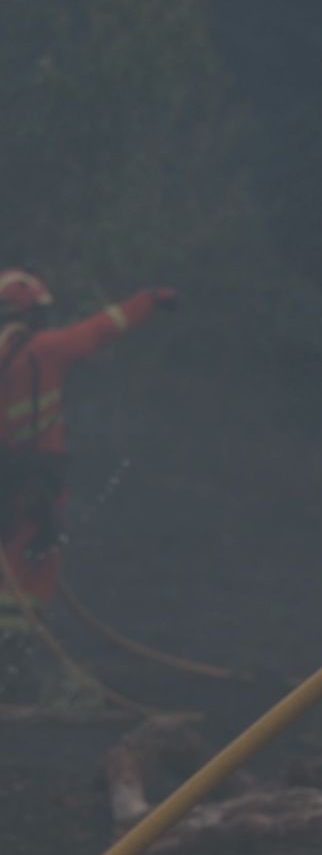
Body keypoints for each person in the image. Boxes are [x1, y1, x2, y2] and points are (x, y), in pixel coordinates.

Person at [0, 269, 176, 699]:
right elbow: (100, 329)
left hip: (8, 477)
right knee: (33, 563)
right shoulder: (46, 349)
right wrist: (150, 299)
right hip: (38, 480)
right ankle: (13, 664)